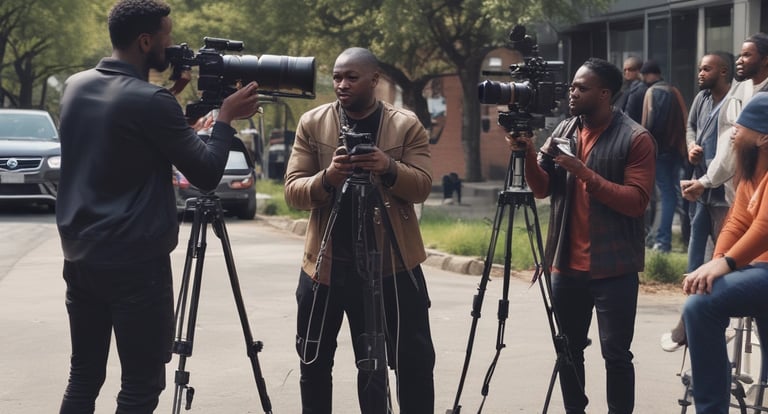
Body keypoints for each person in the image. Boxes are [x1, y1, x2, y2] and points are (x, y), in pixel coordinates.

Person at [55, 1, 260, 412]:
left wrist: (172, 97)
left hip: (81, 256)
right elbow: (205, 173)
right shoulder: (151, 101)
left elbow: (125, 133)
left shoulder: (77, 85)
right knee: (141, 386)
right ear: (145, 41)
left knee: (84, 376)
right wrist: (225, 118)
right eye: (168, 36)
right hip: (134, 265)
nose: (174, 45)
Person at [284, 47, 435, 413]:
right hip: (326, 267)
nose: (342, 84)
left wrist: (388, 167)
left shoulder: (405, 124)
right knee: (313, 361)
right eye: (337, 77)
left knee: (411, 363)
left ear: (374, 80)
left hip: (392, 265)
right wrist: (329, 177)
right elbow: (293, 191)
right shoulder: (313, 122)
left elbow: (422, 186)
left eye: (352, 77)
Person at [507, 58, 656, 414]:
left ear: (604, 94)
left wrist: (583, 172)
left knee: (616, 355)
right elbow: (542, 188)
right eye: (572, 86)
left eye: (581, 88)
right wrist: (528, 152)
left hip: (614, 268)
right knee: (568, 351)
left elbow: (636, 201)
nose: (571, 93)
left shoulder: (636, 138)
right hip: (565, 267)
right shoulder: (564, 130)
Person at [682, 91, 768, 414]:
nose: (733, 133)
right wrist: (715, 264)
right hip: (758, 270)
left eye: (740, 127)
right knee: (702, 296)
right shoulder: (751, 172)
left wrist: (727, 264)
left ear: (763, 138)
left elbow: (764, 228)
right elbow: (737, 223)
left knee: (701, 306)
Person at [660, 52, 734, 353]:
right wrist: (691, 146)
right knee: (694, 262)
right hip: (700, 189)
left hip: (724, 193)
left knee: (719, 261)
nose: (700, 73)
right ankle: (691, 323)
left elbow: (731, 152)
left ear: (723, 71)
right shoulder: (702, 98)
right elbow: (690, 127)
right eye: (700, 68)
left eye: (706, 69)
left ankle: (702, 326)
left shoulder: (735, 102)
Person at [640, 59, 688, 253]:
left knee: (666, 195)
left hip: (659, 151)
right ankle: (683, 237)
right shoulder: (674, 91)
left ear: (647, 75)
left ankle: (663, 241)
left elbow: (650, 123)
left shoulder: (652, 92)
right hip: (676, 150)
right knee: (676, 194)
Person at [617, 56, 648, 123]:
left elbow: (629, 115)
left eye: (631, 69)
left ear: (639, 70)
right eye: (625, 70)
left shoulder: (639, 88)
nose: (627, 72)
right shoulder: (625, 87)